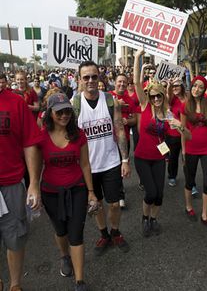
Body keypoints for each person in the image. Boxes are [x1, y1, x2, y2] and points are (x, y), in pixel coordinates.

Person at [38, 93, 97, 291]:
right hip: (51, 192)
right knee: (60, 231)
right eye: (59, 112)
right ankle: (65, 256)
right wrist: (34, 191)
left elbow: (86, 165)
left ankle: (80, 282)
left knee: (76, 233)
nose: (64, 115)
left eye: (68, 111)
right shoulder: (42, 135)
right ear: (50, 113)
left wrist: (91, 192)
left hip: (77, 189)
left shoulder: (79, 134)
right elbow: (37, 167)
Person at [74, 61, 130, 256]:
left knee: (114, 204)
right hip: (88, 166)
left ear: (99, 78)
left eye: (94, 76)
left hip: (111, 162)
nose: (90, 80)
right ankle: (104, 234)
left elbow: (119, 129)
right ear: (79, 79)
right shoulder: (75, 104)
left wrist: (125, 159)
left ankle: (115, 231)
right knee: (95, 204)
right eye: (86, 77)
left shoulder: (109, 100)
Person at [134, 49, 191, 237]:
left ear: (163, 97)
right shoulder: (144, 107)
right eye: (153, 96)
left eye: (159, 96)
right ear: (148, 97)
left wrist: (180, 126)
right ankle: (143, 218)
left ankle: (153, 219)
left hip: (159, 158)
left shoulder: (167, 114)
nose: (156, 99)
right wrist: (137, 58)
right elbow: (135, 82)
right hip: (142, 158)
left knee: (159, 195)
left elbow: (188, 136)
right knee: (150, 192)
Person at [0, 73, 41, 291]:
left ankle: (15, 285)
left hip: (11, 184)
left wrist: (34, 182)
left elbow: (30, 144)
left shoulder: (16, 102)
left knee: (14, 237)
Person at [181, 75, 207, 231]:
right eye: (194, 86)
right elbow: (182, 131)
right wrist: (184, 151)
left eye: (200, 86)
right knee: (190, 181)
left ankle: (205, 215)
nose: (196, 89)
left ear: (204, 89)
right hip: (191, 148)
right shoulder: (186, 105)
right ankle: (188, 207)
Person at [109, 74, 137, 208]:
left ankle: (119, 194)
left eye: (124, 83)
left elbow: (134, 119)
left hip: (124, 139)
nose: (122, 84)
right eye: (119, 81)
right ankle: (117, 193)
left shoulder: (130, 100)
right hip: (109, 139)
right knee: (112, 168)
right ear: (114, 82)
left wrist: (127, 120)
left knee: (121, 165)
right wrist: (115, 105)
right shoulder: (107, 97)